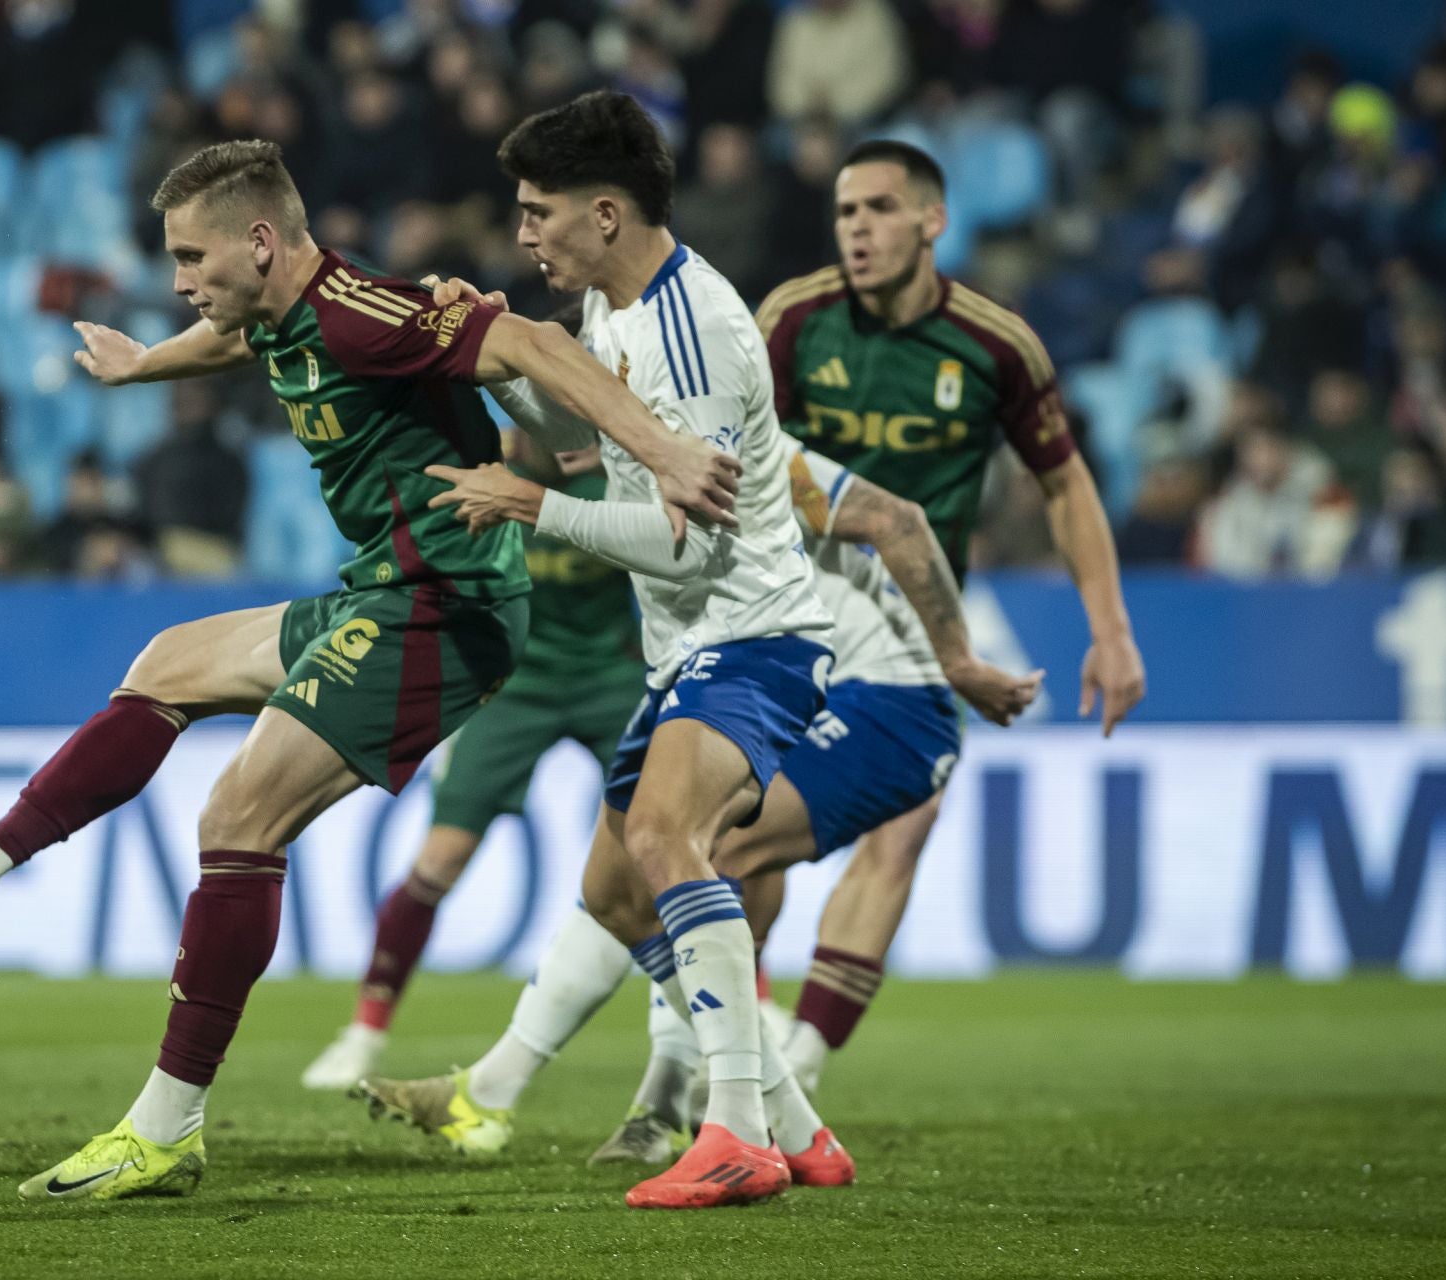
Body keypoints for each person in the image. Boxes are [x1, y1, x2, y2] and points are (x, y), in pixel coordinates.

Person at [0, 138, 740, 1203]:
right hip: (383, 592)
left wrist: (667, 455)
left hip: (448, 607)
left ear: (261, 241)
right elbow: (236, 340)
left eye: (190, 255)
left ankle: (165, 1126)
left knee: (237, 818)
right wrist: (143, 364)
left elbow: (530, 341)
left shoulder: (367, 314)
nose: (178, 280)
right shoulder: (286, 314)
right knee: (166, 663)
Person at [356, 89, 842, 1211]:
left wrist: (527, 505)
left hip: (752, 632)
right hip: (690, 649)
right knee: (617, 893)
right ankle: (803, 1131)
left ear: (607, 213)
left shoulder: (698, 329)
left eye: (539, 212)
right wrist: (512, 360)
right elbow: (593, 444)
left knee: (669, 836)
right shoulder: (616, 315)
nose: (524, 233)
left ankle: (732, 1131)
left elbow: (682, 549)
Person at [362, 442, 1037, 1176]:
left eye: (535, 400)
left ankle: (682, 1108)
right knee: (615, 884)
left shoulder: (727, 443)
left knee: (688, 850)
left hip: (883, 697)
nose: (517, 435)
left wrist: (960, 661)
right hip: (741, 673)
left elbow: (896, 519)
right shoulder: (632, 455)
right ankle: (523, 1093)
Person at [751, 139, 1145, 1095]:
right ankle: (722, 1036)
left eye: (881, 209)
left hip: (918, 623)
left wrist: (1113, 629)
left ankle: (796, 1068)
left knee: (902, 831)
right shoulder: (793, 320)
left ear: (933, 222)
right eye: (846, 212)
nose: (858, 230)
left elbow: (1064, 485)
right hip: (791, 607)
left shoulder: (995, 344)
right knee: (743, 830)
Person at [300, 428, 645, 1092]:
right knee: (439, 862)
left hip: (611, 681)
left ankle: (752, 1001)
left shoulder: (615, 483)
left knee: (672, 850)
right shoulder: (479, 480)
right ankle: (364, 1032)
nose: (528, 429)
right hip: (512, 688)